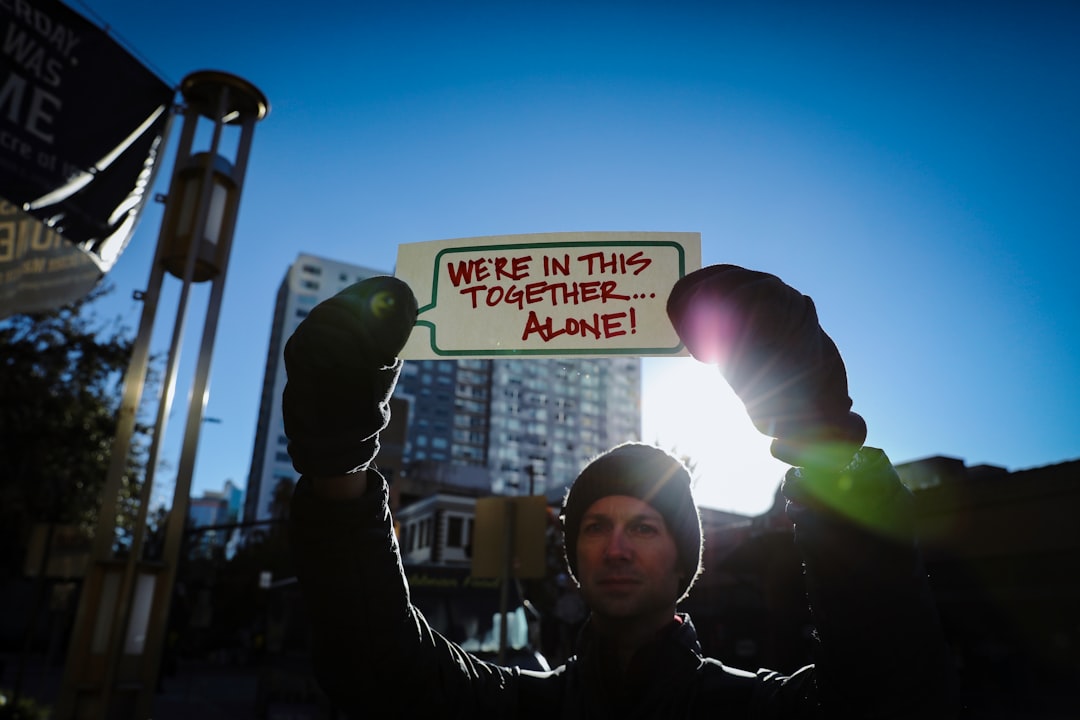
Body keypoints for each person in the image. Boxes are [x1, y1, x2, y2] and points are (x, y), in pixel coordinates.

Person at [285, 266, 959, 718]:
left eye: (644, 527)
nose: (616, 547)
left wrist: (830, 452)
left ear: (684, 561)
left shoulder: (752, 709)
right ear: (573, 558)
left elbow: (893, 688)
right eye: (594, 527)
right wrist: (338, 479)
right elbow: (380, 675)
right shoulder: (514, 705)